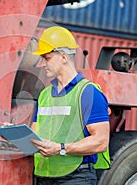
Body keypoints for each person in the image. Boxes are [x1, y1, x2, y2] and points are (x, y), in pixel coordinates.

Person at [30, 26, 110, 185]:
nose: (43, 64)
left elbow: (101, 141)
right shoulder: (45, 95)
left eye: (47, 58)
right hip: (43, 176)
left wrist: (60, 148)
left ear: (64, 57)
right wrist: (15, 135)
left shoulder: (88, 92)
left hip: (76, 178)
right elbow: (35, 134)